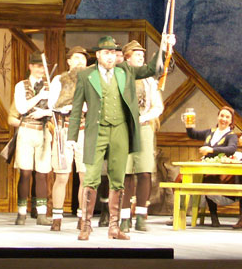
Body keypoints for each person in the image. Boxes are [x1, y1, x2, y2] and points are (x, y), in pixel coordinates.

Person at [68, 34, 172, 241]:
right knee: (91, 177)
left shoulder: (124, 71)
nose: (110, 57)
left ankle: (114, 227)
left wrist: (164, 47)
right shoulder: (86, 75)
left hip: (120, 130)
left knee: (118, 178)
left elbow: (152, 69)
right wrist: (72, 136)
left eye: (113, 53)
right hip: (96, 131)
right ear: (97, 55)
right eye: (106, 52)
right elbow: (77, 107)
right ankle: (85, 225)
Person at [119, 40, 164, 233]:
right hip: (124, 128)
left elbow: (158, 106)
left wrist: (144, 117)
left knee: (144, 172)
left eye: (142, 56)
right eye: (137, 55)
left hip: (144, 128)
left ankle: (141, 215)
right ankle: (124, 217)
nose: (141, 58)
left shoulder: (149, 81)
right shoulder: (120, 77)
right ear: (127, 57)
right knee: (126, 174)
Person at [47, 46, 89, 231]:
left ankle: (83, 217)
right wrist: (70, 107)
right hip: (64, 129)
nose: (80, 61)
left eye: (83, 58)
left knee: (85, 176)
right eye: (77, 58)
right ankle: (57, 217)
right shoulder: (60, 79)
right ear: (69, 61)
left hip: (84, 131)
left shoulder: (91, 79)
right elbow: (52, 103)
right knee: (62, 175)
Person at [13, 52, 54, 225]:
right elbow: (21, 108)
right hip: (26, 130)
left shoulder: (51, 86)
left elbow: (56, 109)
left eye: (42, 67)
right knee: (25, 172)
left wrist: (44, 111)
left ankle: (42, 214)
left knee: (42, 174)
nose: (40, 70)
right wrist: (39, 96)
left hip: (43, 131)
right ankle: (21, 213)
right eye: (37, 66)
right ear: (30, 66)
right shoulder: (21, 86)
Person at [183, 106, 238, 227]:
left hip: (220, 168)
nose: (223, 119)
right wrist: (188, 125)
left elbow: (231, 149)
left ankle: (214, 215)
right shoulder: (211, 132)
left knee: (209, 179)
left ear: (231, 120)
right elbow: (193, 134)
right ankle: (180, 213)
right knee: (181, 179)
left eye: (227, 117)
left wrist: (211, 149)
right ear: (218, 117)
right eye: (221, 116)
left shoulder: (231, 135)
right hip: (204, 166)